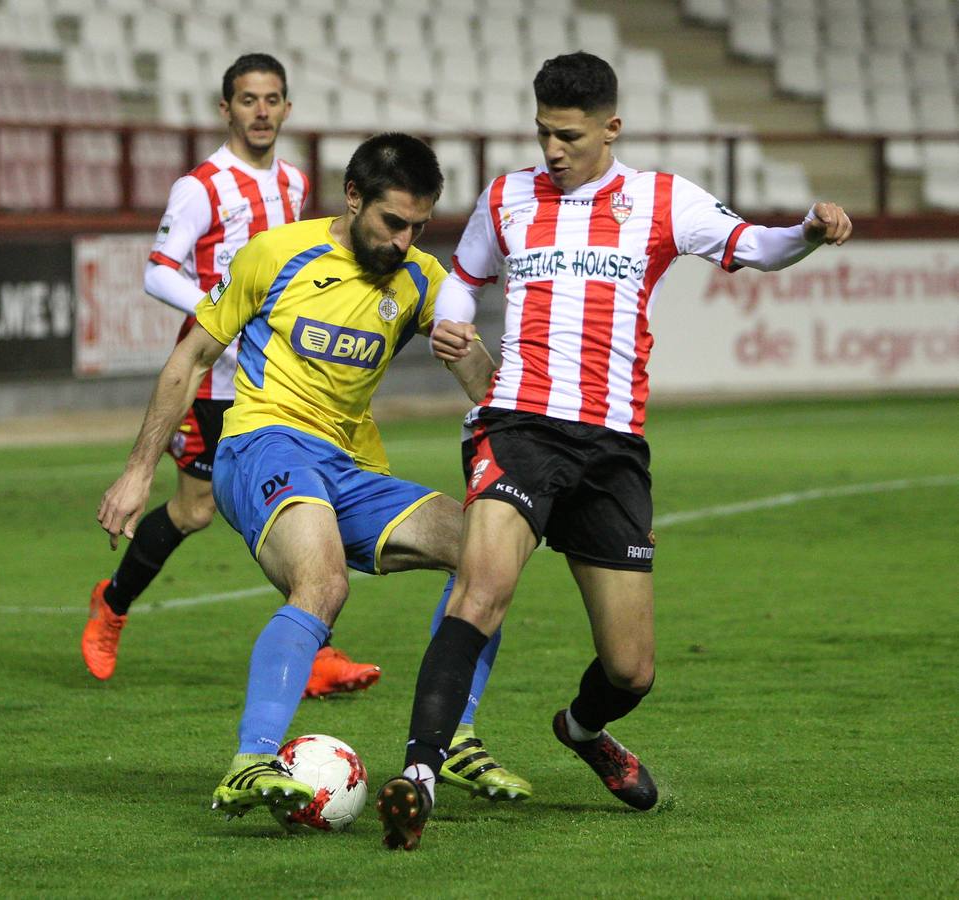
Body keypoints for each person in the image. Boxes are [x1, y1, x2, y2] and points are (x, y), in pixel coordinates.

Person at [375, 51, 852, 850]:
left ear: (611, 127)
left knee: (632, 670)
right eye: (542, 133)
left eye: (567, 136)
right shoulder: (508, 196)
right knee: (481, 590)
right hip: (518, 426)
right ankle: (418, 774)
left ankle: (582, 727)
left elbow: (756, 247)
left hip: (612, 447)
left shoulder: (661, 200)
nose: (552, 151)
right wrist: (453, 319)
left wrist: (807, 230)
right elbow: (463, 274)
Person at [97, 133, 528, 824]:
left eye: (419, 227)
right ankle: (251, 759)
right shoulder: (276, 253)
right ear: (352, 197)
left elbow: (487, 391)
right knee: (323, 583)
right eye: (392, 223)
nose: (404, 240)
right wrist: (137, 470)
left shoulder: (422, 280)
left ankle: (452, 737)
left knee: (487, 550)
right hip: (262, 444)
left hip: (348, 466)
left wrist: (468, 353)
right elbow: (190, 360)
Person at [81, 53, 381, 699]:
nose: (262, 111)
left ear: (288, 108)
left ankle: (316, 650)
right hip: (215, 378)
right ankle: (112, 604)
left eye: (273, 99)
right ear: (227, 109)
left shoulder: (296, 185)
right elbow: (158, 270)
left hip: (279, 378)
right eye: (249, 99)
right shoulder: (203, 186)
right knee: (194, 510)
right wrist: (220, 311)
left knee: (290, 500)